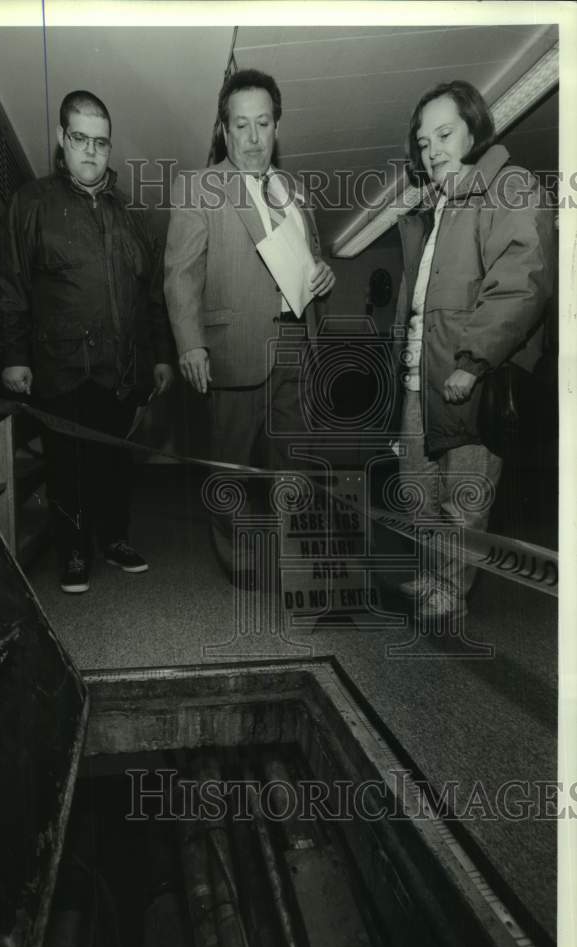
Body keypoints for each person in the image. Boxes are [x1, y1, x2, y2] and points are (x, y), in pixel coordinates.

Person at [0, 89, 175, 593]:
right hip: (61, 367)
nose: (91, 151)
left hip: (121, 371)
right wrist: (14, 357)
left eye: (100, 141)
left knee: (115, 463)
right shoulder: (31, 204)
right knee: (66, 465)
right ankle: (73, 554)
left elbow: (150, 295)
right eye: (80, 139)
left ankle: (114, 540)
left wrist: (160, 357)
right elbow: (10, 285)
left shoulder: (130, 213)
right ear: (60, 139)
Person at [163, 68, 335, 583]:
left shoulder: (293, 189)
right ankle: (239, 563)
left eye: (263, 124)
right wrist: (190, 344)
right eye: (242, 126)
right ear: (224, 129)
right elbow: (179, 274)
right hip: (230, 348)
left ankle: (288, 556)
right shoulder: (199, 187)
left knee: (294, 461)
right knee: (230, 468)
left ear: (277, 127)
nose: (254, 138)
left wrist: (322, 274)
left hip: (295, 344)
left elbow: (309, 262)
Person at [393, 79, 554, 621]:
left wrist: (473, 361)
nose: (432, 149)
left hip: (468, 375)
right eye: (423, 141)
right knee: (418, 493)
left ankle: (451, 592)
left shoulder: (509, 187)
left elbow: (521, 283)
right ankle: (433, 575)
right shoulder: (436, 206)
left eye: (444, 134)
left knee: (463, 500)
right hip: (421, 375)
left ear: (474, 131)